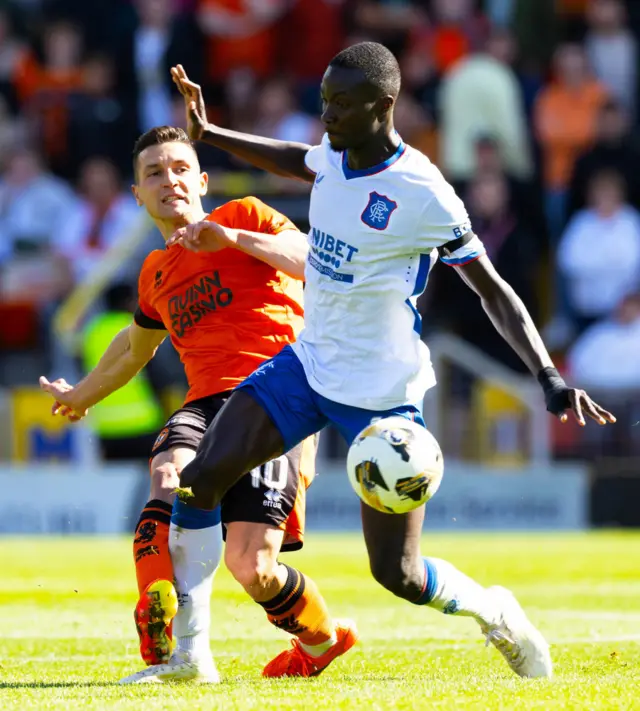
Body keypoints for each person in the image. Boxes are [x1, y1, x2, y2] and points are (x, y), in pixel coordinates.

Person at [161, 42, 617, 681]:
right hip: (308, 363)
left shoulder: (424, 192)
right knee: (202, 476)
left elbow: (491, 288)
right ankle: (191, 655)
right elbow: (302, 161)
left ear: (384, 105)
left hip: (380, 396)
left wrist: (547, 374)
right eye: (323, 101)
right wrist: (212, 135)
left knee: (397, 574)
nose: (327, 115)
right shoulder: (337, 154)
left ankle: (496, 613)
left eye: (341, 104)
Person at [39, 125, 355, 684]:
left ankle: (322, 638)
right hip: (206, 403)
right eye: (154, 172)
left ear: (203, 180)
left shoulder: (247, 215)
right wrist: (81, 395)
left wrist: (229, 239)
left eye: (181, 168)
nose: (170, 180)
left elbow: (313, 262)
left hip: (275, 402)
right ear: (137, 195)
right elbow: (132, 349)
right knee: (168, 469)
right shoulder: (155, 273)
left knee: (253, 569)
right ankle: (171, 643)